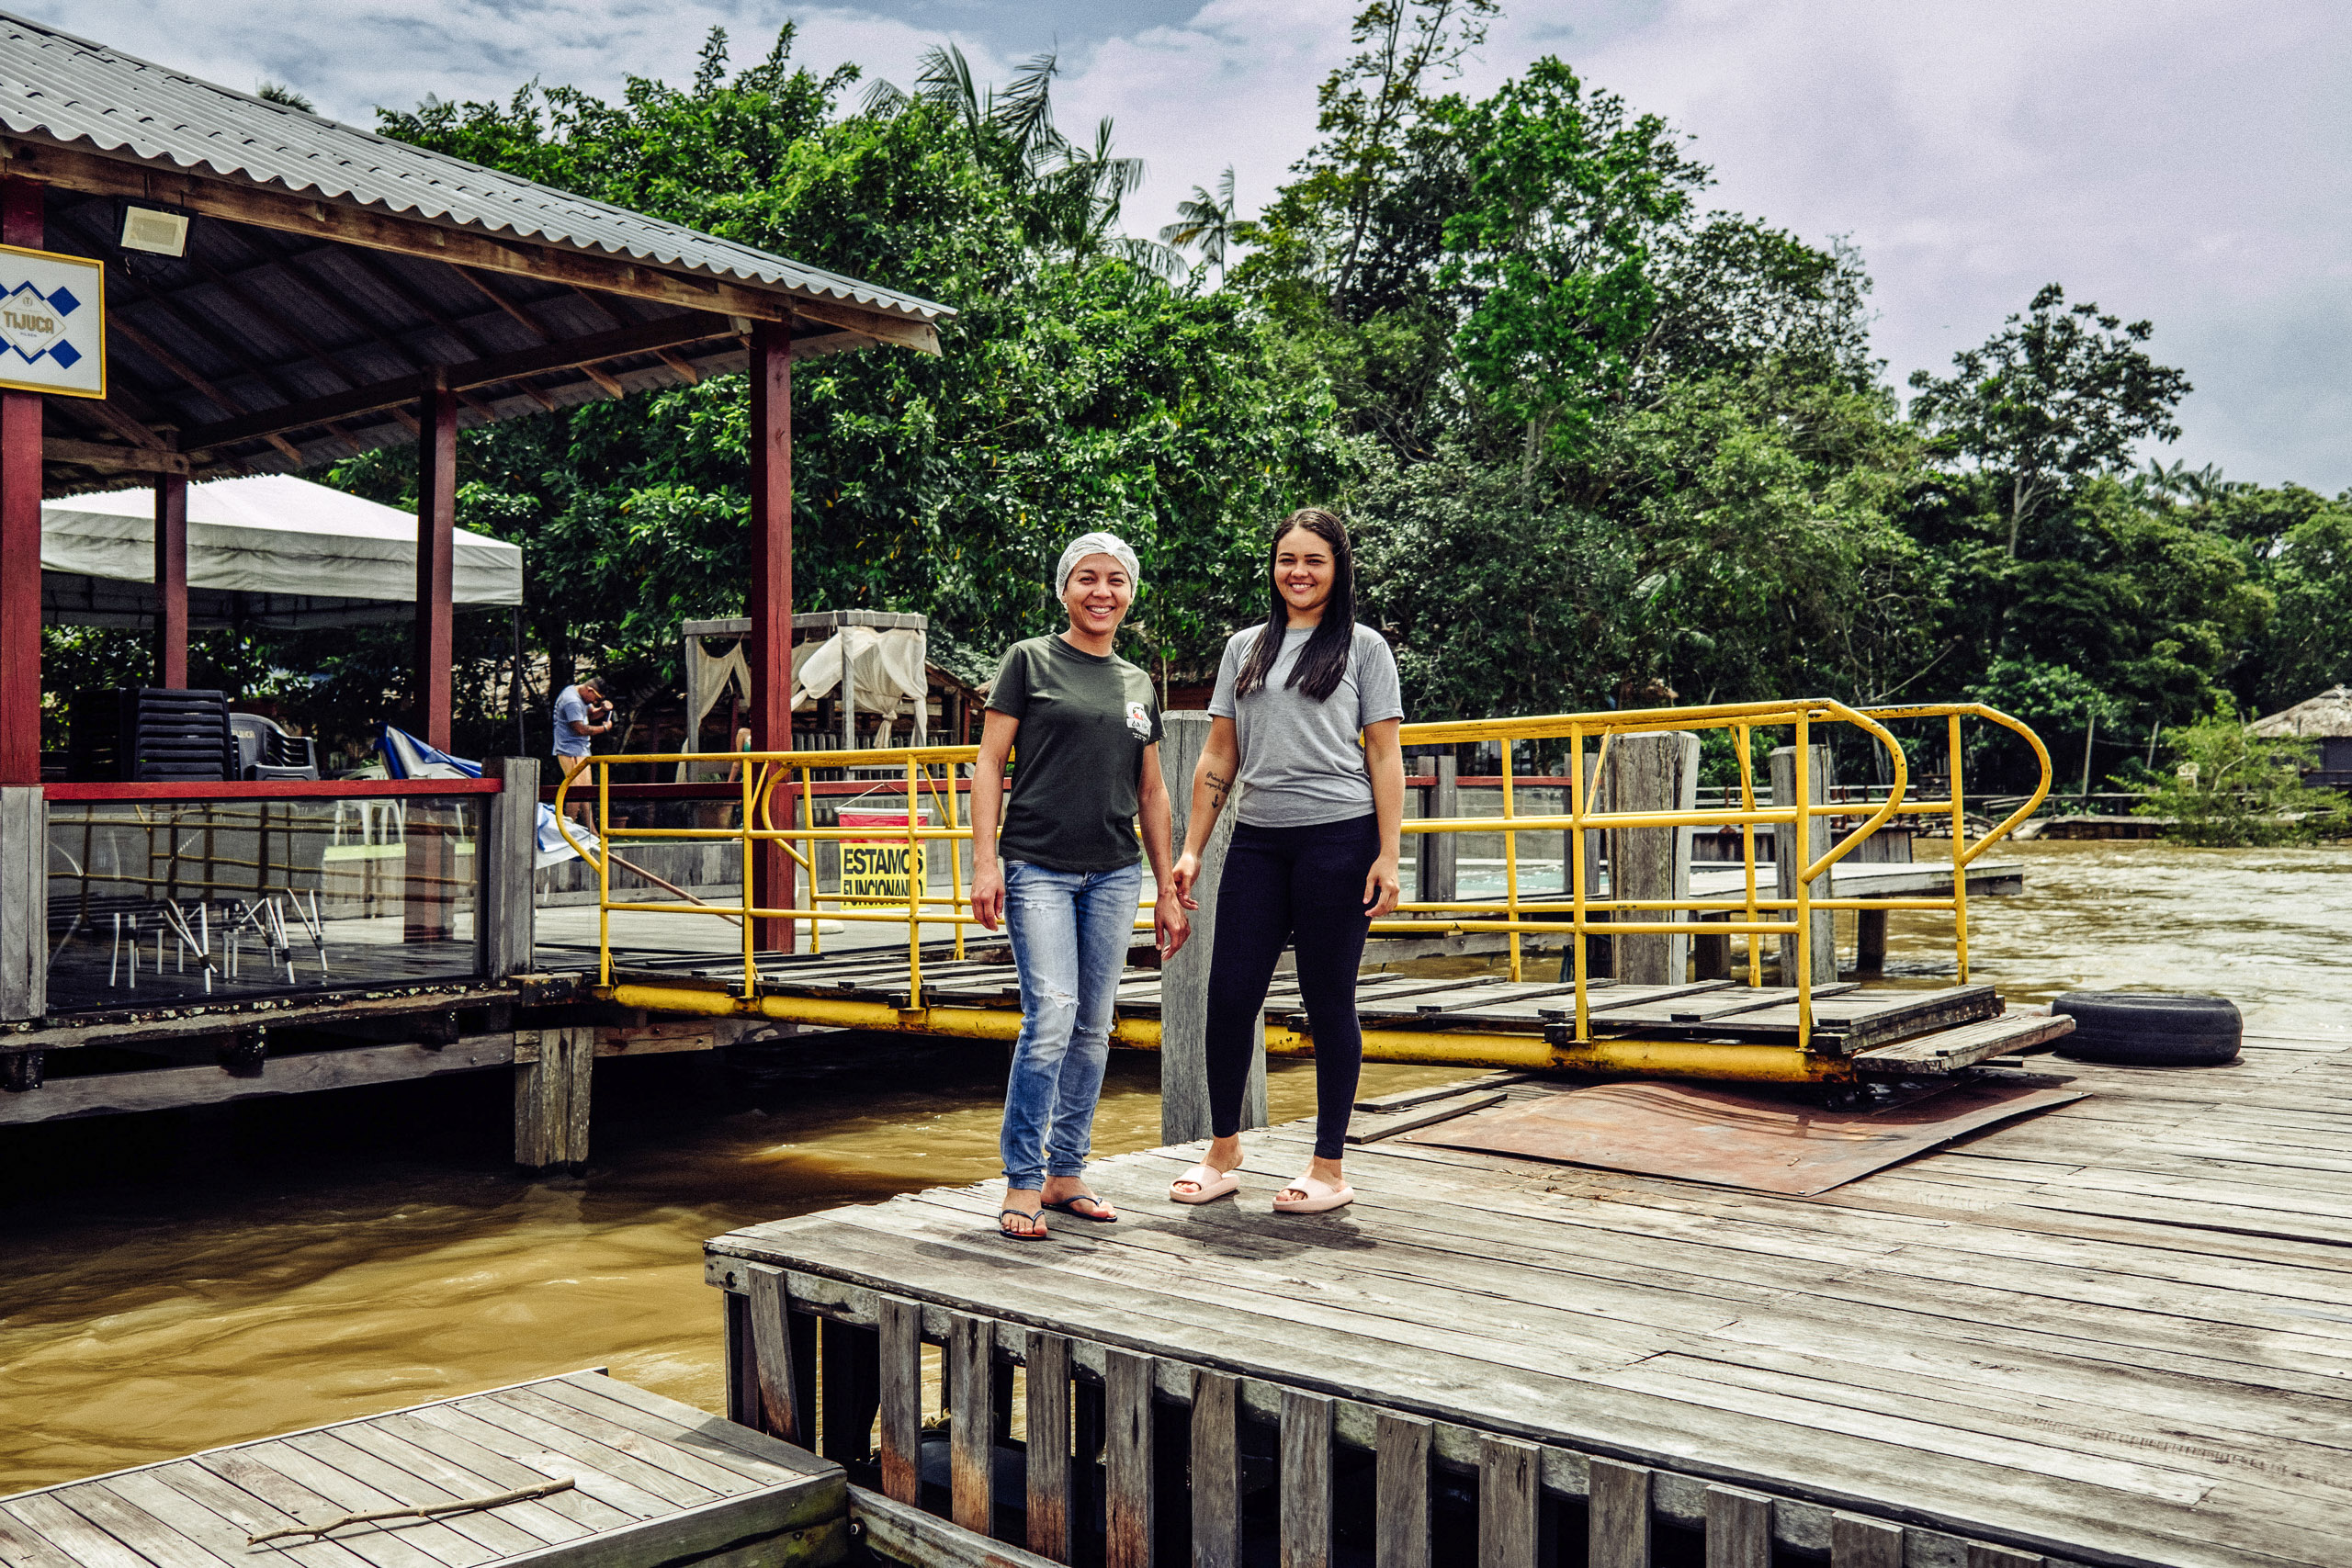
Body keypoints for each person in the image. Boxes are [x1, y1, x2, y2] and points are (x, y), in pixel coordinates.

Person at [1169, 508, 1405, 1213]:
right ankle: (1223, 1150)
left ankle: (1328, 1165)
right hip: (1260, 840)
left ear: (1339, 569)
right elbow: (1218, 754)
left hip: (1340, 838)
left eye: (1314, 560)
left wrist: (1389, 854)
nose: (1297, 572)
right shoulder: (1245, 647)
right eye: (1285, 559)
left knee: (1328, 997)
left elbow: (1385, 754)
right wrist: (1190, 849)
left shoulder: (1364, 649)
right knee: (1229, 995)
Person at [971, 532, 1190, 1240]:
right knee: (1052, 1016)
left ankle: (1067, 1170)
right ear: (1065, 588)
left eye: (1116, 580)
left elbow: (1152, 792)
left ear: (1130, 594)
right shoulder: (1028, 660)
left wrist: (1167, 885)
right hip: (1037, 864)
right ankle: (1023, 1178)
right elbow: (989, 763)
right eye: (1087, 578)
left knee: (1095, 1027)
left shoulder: (1137, 682)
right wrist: (983, 862)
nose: (1102, 592)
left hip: (1116, 872)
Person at [552, 678, 614, 822]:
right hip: (568, 750)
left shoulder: (580, 696)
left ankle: (591, 831)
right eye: (596, 699)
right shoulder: (572, 701)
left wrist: (603, 710)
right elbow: (580, 729)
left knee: (586, 792)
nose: (595, 703)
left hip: (582, 749)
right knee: (575, 790)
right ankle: (568, 828)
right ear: (590, 691)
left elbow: (590, 715)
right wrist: (604, 728)